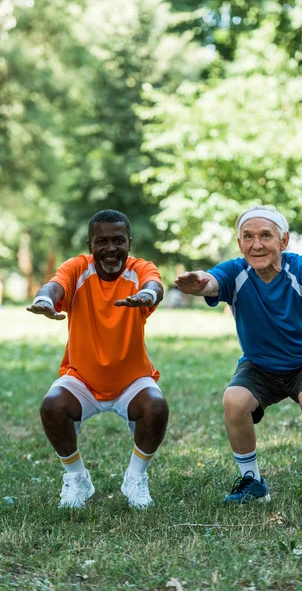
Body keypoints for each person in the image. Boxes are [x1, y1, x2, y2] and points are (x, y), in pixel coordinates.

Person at [175, 205, 302, 508]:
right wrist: (199, 282)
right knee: (234, 400)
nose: (256, 244)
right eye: (248, 236)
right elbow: (211, 280)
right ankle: (252, 482)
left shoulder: (298, 267)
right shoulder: (235, 272)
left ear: (283, 241)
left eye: (266, 235)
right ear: (240, 243)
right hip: (261, 365)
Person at [27, 209, 169, 509]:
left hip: (131, 380)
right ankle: (77, 479)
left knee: (155, 406)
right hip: (82, 378)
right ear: (90, 246)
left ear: (129, 243)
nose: (110, 248)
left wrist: (148, 296)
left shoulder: (140, 269)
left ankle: (135, 478)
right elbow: (56, 285)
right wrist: (44, 299)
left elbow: (155, 285)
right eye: (101, 241)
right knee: (52, 405)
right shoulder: (78, 268)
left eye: (118, 240)